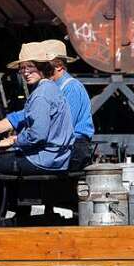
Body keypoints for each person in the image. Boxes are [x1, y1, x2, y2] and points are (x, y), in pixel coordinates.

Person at [0, 42, 74, 243]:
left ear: (42, 67)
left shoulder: (42, 95)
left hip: (43, 160)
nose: (26, 72)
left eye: (31, 67)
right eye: (23, 68)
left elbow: (38, 134)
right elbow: (19, 118)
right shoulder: (50, 89)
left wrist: (13, 141)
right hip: (52, 157)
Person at [38, 39, 94, 170]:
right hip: (60, 145)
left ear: (58, 66)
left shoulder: (71, 88)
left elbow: (64, 125)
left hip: (73, 147)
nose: (40, 70)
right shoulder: (52, 87)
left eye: (44, 66)